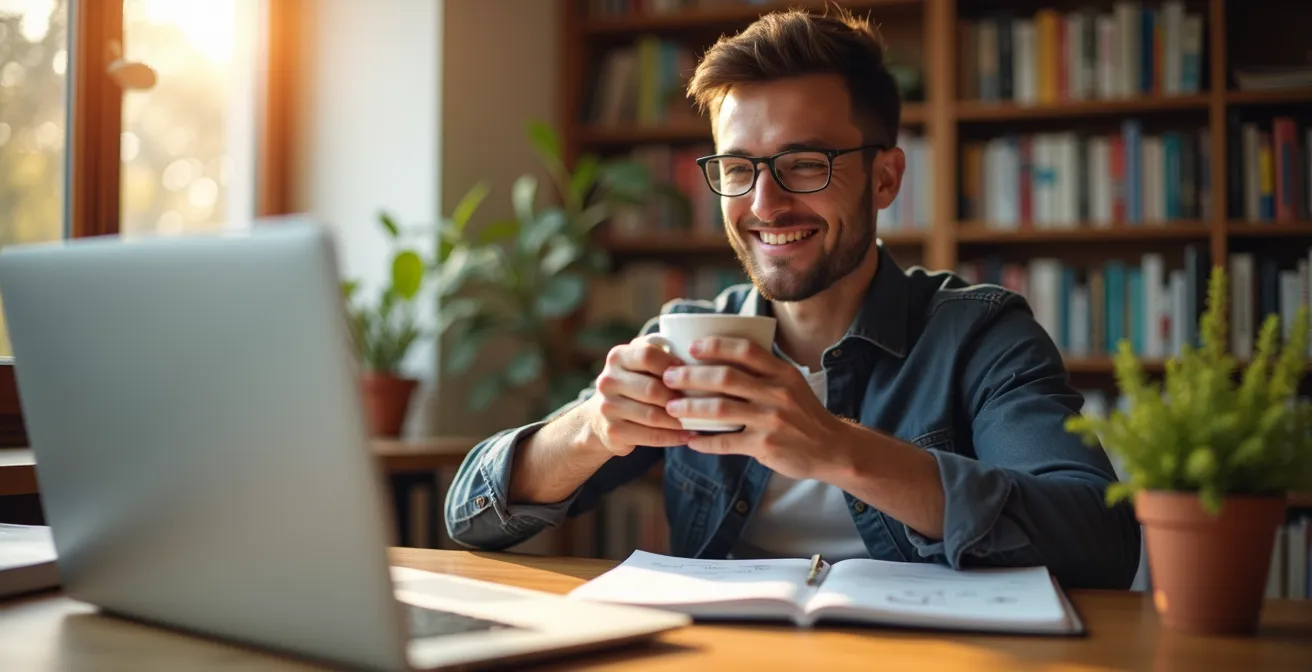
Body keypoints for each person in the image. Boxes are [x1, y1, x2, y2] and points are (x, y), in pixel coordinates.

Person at [444, 7, 1140, 589]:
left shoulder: (979, 334)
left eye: (805, 164)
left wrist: (837, 449)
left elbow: (1099, 540)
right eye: (739, 168)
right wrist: (595, 428)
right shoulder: (686, 337)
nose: (765, 204)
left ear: (885, 179)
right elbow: (471, 516)